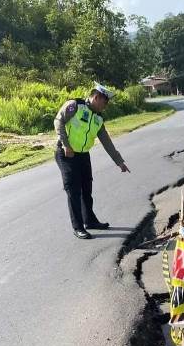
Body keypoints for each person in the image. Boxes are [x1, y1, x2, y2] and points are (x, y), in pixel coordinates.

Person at [54, 84, 130, 240]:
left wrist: (119, 162)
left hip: (83, 155)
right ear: (96, 97)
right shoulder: (75, 106)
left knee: (86, 189)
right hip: (66, 154)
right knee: (73, 191)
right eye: (104, 102)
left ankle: (90, 221)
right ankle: (78, 227)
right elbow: (58, 122)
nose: (105, 106)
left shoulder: (98, 118)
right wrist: (66, 145)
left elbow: (106, 141)